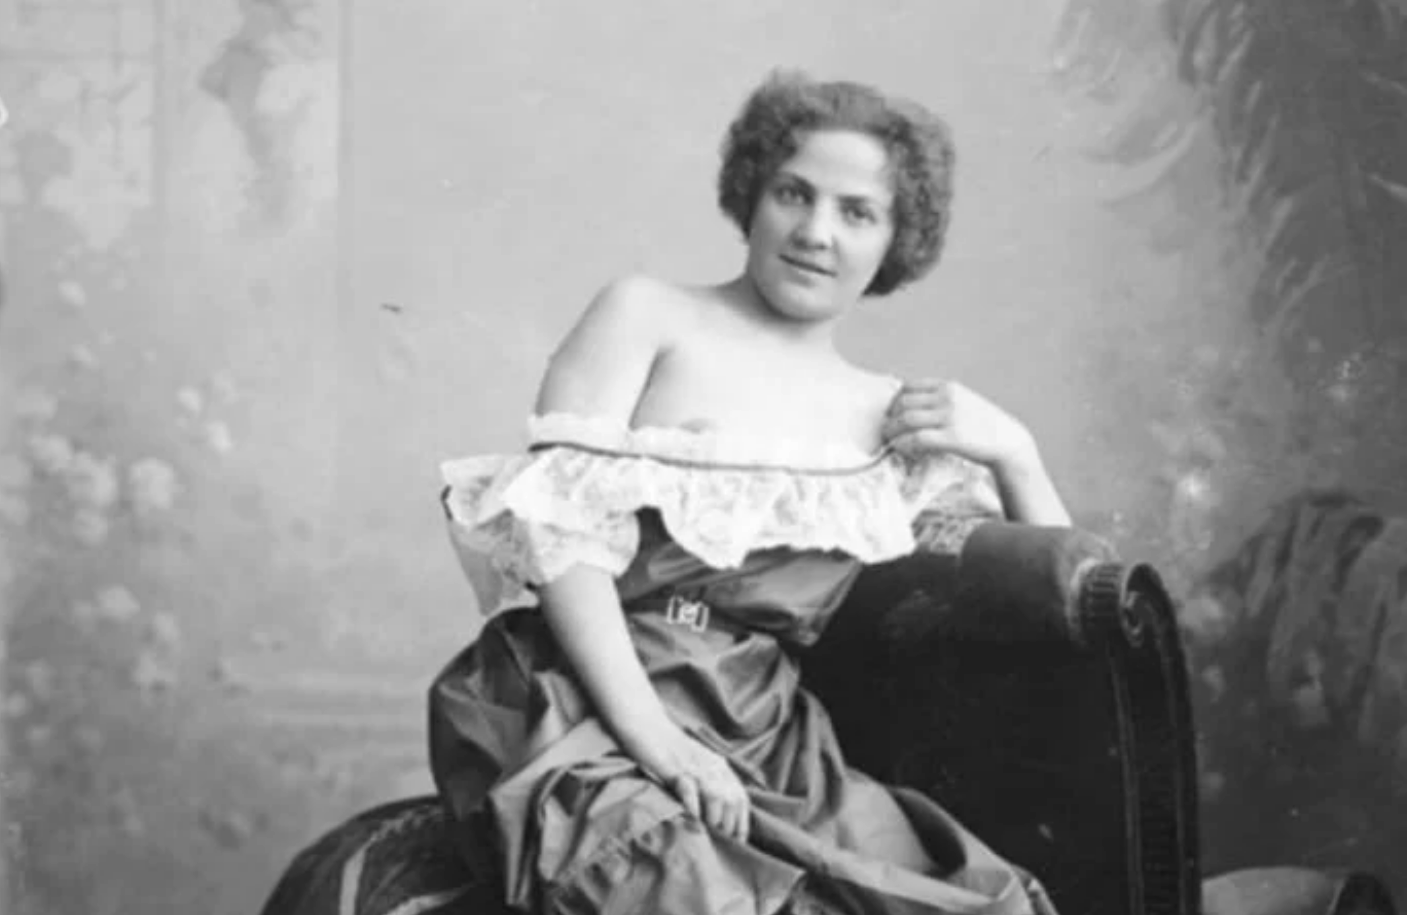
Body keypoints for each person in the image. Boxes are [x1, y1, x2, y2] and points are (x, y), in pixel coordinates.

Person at [430, 70, 1072, 915]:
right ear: (752, 194)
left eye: (857, 212)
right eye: (793, 193)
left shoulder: (888, 421)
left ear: (895, 240)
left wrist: (1017, 453)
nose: (814, 233)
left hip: (767, 732)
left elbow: (1061, 606)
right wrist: (658, 744)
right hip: (579, 700)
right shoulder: (646, 316)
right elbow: (561, 542)